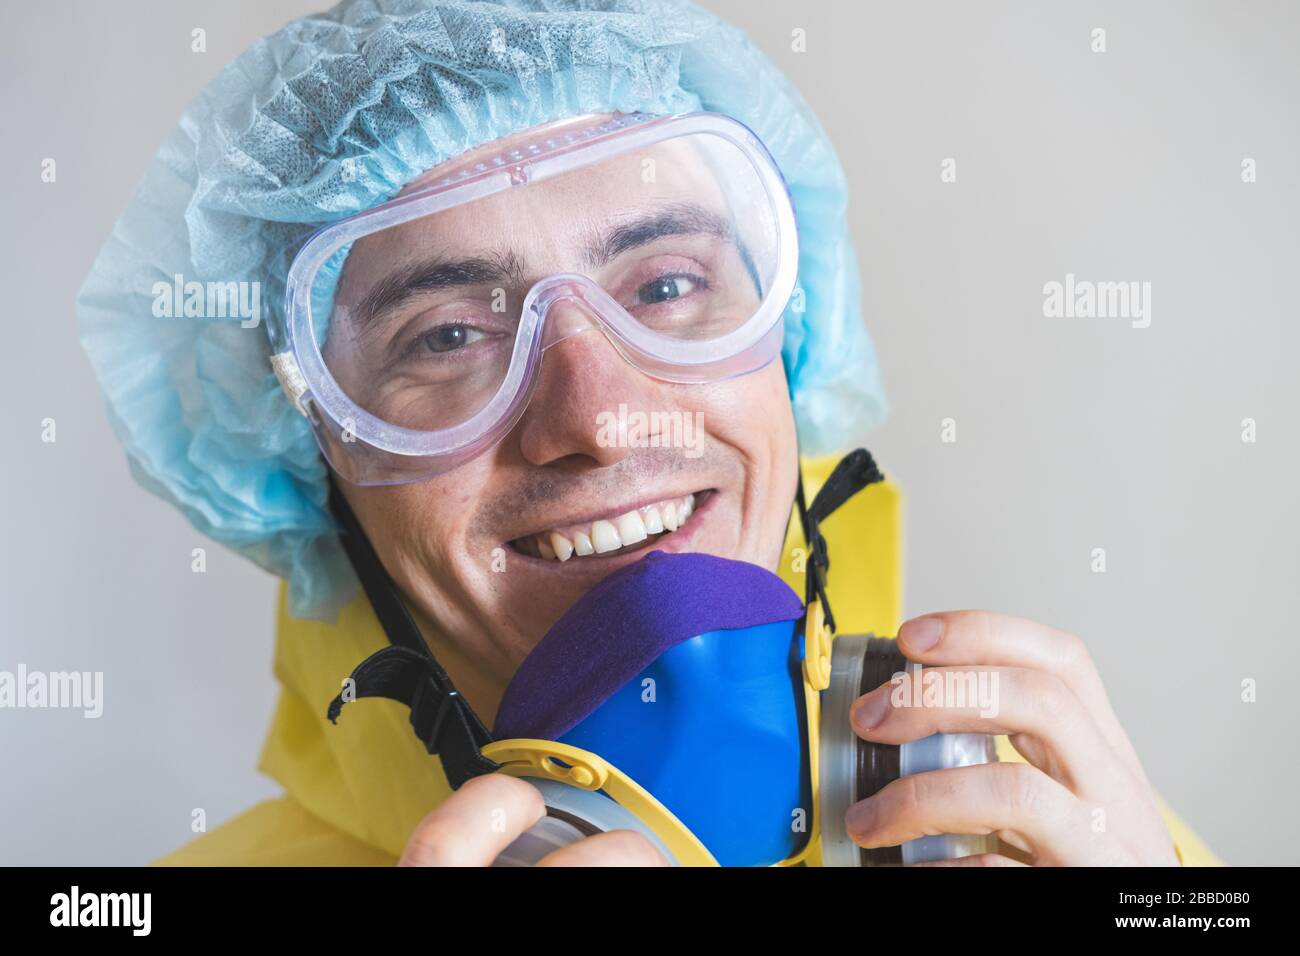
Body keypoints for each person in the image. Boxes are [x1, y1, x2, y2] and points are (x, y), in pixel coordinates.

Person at [78, 0, 1218, 866]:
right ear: (314, 447)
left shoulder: (1069, 829)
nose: (596, 416)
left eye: (666, 285)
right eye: (447, 336)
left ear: (792, 336)